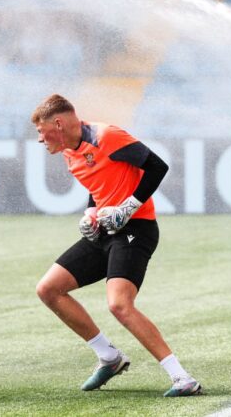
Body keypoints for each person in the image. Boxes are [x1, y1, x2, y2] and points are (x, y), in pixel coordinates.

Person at [32, 94, 202, 397]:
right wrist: (91, 212)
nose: (39, 139)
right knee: (48, 289)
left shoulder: (106, 136)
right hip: (107, 232)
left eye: (40, 131)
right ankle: (109, 358)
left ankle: (182, 378)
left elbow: (157, 166)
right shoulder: (71, 152)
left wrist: (128, 206)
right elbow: (98, 187)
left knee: (119, 305)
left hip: (137, 229)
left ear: (58, 123)